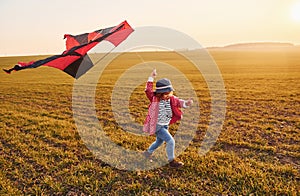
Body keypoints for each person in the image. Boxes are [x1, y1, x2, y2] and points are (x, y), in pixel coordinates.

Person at [143, 69, 193, 168]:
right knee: (170, 141)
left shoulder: (171, 98)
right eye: (165, 94)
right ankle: (171, 161)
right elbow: (148, 90)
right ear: (159, 93)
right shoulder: (154, 98)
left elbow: (179, 102)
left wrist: (186, 103)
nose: (168, 96)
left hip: (165, 124)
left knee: (159, 141)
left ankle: (147, 153)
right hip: (157, 125)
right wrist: (151, 77)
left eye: (169, 93)